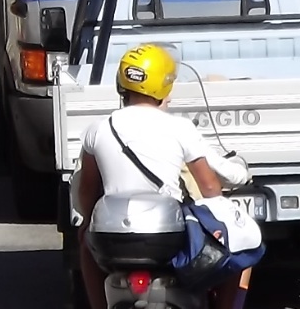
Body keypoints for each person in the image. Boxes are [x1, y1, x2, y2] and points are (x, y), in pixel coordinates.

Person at [75, 43, 253, 309]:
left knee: (84, 244)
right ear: (164, 86)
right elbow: (209, 188)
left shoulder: (98, 129)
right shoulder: (179, 127)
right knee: (242, 248)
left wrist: (87, 223)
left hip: (113, 239)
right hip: (167, 238)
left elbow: (87, 191)